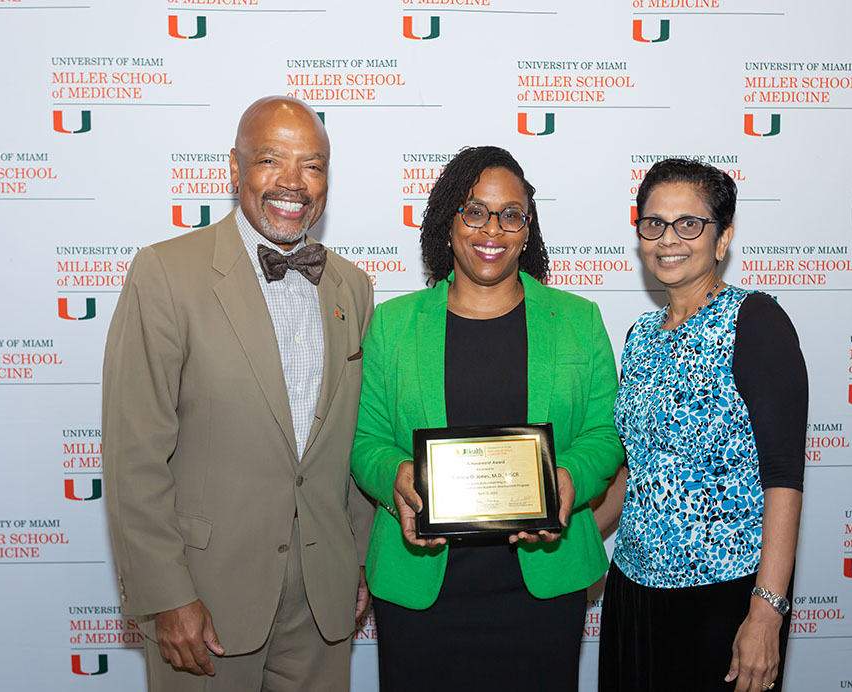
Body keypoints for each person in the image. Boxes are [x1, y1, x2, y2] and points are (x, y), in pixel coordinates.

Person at [102, 96, 374, 692]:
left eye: (313, 165)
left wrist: (358, 559)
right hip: (206, 595)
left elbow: (354, 440)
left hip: (323, 603)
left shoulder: (353, 287)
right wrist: (167, 594)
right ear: (234, 167)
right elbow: (134, 454)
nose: (292, 183)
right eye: (270, 160)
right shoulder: (166, 273)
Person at [350, 145, 624, 691]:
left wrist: (568, 477)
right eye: (474, 211)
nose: (491, 228)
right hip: (421, 586)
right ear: (447, 220)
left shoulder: (577, 320)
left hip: (544, 585)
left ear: (528, 229)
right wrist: (396, 477)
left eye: (511, 214)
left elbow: (605, 434)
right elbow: (366, 442)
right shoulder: (393, 324)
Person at [596, 158, 807, 692]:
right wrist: (555, 530)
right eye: (653, 223)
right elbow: (635, 470)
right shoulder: (640, 334)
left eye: (689, 224)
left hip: (724, 599)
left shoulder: (756, 321)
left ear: (723, 238)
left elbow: (783, 477)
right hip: (634, 591)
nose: (669, 238)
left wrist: (767, 613)